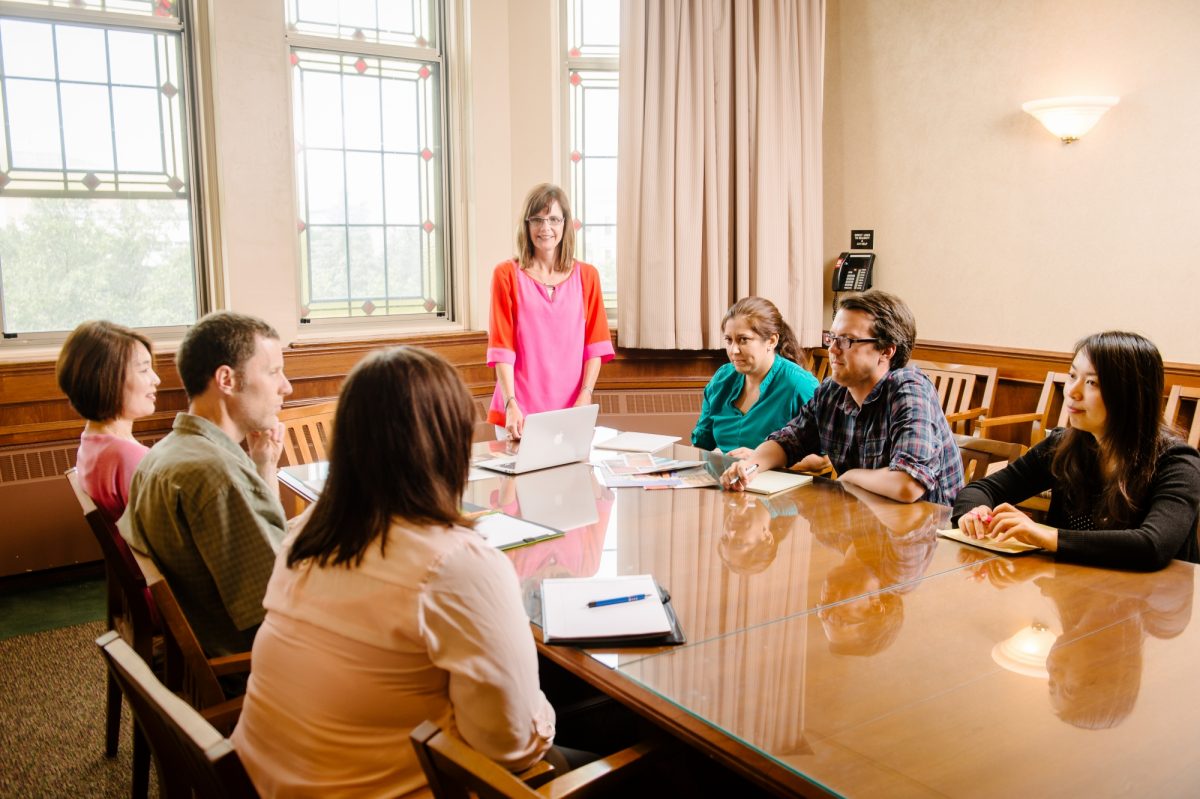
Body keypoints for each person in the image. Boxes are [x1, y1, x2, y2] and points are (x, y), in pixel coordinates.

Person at [232, 346, 556, 797]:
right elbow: (512, 747)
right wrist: (547, 711)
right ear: (448, 446)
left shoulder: (306, 531)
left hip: (266, 779)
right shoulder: (456, 564)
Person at [953, 331, 1200, 570]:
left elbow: (1152, 546)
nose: (1072, 391)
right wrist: (974, 514)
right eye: (1072, 376)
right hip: (1077, 594)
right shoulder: (1063, 446)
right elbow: (982, 489)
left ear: (1131, 394)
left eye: (1092, 382)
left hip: (1149, 602)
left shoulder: (1176, 462)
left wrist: (1046, 536)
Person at [122, 311, 292, 657]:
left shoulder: (167, 453)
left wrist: (264, 465)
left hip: (213, 642)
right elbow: (278, 602)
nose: (286, 386)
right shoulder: (215, 475)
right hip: (255, 661)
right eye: (274, 372)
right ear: (226, 380)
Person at [721, 289, 964, 506]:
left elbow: (907, 485)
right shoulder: (833, 390)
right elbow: (789, 441)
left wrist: (850, 476)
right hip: (866, 523)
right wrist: (751, 465)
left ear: (887, 350)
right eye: (832, 337)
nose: (832, 349)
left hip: (927, 535)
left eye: (847, 340)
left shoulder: (909, 390)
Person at [487, 183, 614, 440]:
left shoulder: (588, 276)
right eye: (537, 219)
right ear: (527, 225)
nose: (546, 228)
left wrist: (585, 395)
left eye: (554, 219)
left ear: (566, 224)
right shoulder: (505, 275)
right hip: (518, 413)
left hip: (571, 411)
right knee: (517, 482)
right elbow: (502, 348)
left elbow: (595, 346)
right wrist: (510, 404)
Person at [56, 321, 160, 523]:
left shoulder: (92, 441)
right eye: (143, 370)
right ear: (107, 379)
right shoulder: (127, 456)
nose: (156, 379)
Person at [692, 296, 819, 453]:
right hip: (725, 475)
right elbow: (701, 445)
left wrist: (759, 459)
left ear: (771, 341)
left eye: (743, 340)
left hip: (775, 476)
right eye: (729, 340)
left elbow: (825, 461)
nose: (733, 350)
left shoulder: (800, 385)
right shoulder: (722, 379)